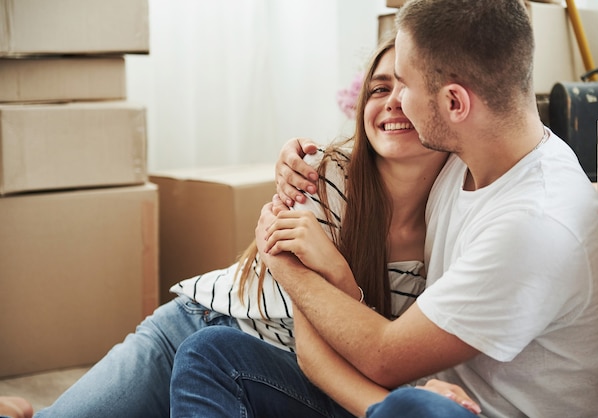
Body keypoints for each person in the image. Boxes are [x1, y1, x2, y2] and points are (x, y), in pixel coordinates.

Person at [169, 0, 598, 417]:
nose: (396, 101)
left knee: (413, 409)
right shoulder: (470, 155)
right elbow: (368, 157)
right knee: (210, 354)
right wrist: (302, 166)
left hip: (446, 410)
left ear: (453, 102)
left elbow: (383, 356)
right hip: (410, 395)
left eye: (404, 84)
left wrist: (282, 260)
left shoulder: (535, 225)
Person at [33, 36, 475, 417]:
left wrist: (339, 276)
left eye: (407, 86)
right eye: (379, 88)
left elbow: (392, 349)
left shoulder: (457, 219)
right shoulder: (324, 176)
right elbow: (315, 349)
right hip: (201, 327)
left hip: (269, 378)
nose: (392, 101)